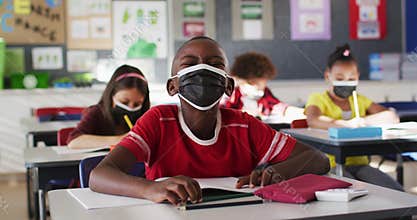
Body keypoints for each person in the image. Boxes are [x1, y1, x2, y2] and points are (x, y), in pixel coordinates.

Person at [89, 36, 330, 205]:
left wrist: (277, 171)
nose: (203, 70)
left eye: (215, 65)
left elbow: (318, 159)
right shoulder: (158, 120)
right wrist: (149, 189)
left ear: (228, 85)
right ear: (172, 86)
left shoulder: (243, 125)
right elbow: (99, 176)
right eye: (190, 64)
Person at [304, 44, 403, 191]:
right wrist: (346, 124)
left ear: (358, 78)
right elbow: (313, 120)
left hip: (360, 163)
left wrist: (363, 121)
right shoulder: (318, 99)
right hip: (329, 165)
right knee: (355, 191)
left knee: (394, 191)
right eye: (339, 78)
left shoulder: (359, 100)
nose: (345, 82)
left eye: (351, 78)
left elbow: (391, 116)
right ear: (327, 76)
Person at [67, 65, 150, 149]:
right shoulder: (97, 112)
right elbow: (74, 141)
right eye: (124, 102)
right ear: (111, 95)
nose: (130, 108)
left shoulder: (146, 116)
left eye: (137, 104)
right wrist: (120, 139)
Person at [223, 52, 304, 122]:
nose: (258, 89)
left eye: (262, 85)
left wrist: (304, 113)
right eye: (253, 83)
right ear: (238, 80)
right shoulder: (230, 94)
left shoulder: (264, 93)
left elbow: (280, 107)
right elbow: (221, 114)